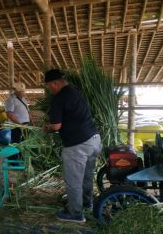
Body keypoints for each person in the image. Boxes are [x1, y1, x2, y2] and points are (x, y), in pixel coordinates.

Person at [43, 69, 102, 223]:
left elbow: (56, 126)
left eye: (49, 86)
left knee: (74, 181)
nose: (50, 90)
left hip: (78, 145)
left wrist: (47, 128)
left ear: (55, 83)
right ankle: (87, 203)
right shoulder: (75, 92)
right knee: (87, 177)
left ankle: (76, 214)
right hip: (94, 140)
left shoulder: (59, 98)